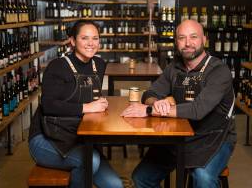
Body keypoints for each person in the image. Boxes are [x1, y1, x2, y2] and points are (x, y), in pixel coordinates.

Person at [121, 19, 236, 188]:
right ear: (176, 42)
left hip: (214, 137)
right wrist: (157, 102)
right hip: (179, 135)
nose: (188, 43)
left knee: (203, 178)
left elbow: (198, 110)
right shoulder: (174, 68)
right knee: (141, 178)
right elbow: (149, 93)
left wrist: (150, 110)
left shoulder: (219, 71)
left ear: (204, 39)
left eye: (193, 37)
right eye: (182, 38)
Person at [28, 21, 123, 188]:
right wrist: (87, 107)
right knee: (91, 161)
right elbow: (48, 104)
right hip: (47, 140)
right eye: (84, 38)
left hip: (79, 138)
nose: (91, 43)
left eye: (95, 38)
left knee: (115, 185)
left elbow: (86, 94)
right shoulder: (58, 66)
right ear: (72, 41)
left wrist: (98, 101)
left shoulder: (99, 64)